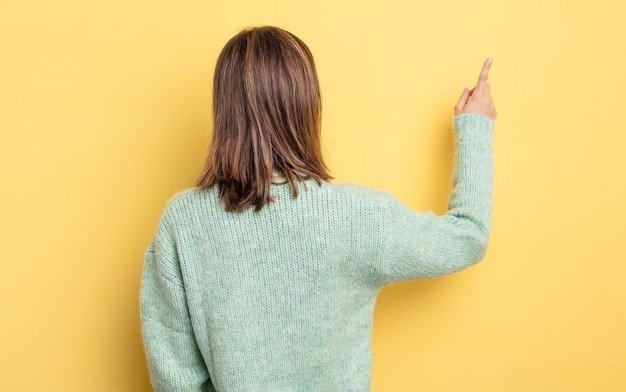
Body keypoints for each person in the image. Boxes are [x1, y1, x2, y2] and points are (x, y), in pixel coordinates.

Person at [140, 26, 496, 392]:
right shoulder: (357, 217)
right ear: (307, 106)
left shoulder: (182, 223)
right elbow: (468, 235)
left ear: (225, 110)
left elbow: (176, 379)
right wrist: (475, 128)